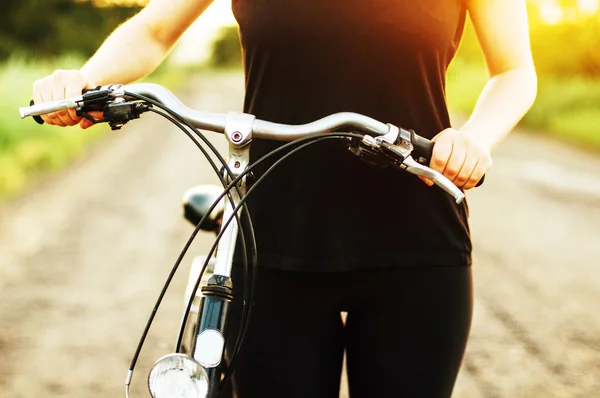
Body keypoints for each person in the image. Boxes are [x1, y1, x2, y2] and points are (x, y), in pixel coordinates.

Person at [32, 0, 537, 397]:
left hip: (418, 240)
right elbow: (153, 30)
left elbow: (514, 71)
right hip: (270, 238)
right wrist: (85, 82)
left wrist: (476, 137)